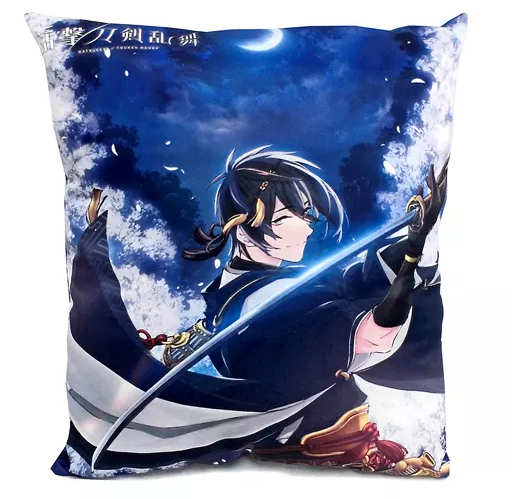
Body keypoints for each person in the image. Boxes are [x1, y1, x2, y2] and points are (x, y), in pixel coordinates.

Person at [65, 146, 448, 473]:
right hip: (325, 451)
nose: (306, 229)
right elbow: (373, 331)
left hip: (348, 446)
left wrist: (411, 245)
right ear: (242, 229)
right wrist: (411, 257)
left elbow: (353, 285)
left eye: (306, 215)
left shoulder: (259, 291)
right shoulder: (266, 307)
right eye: (286, 218)